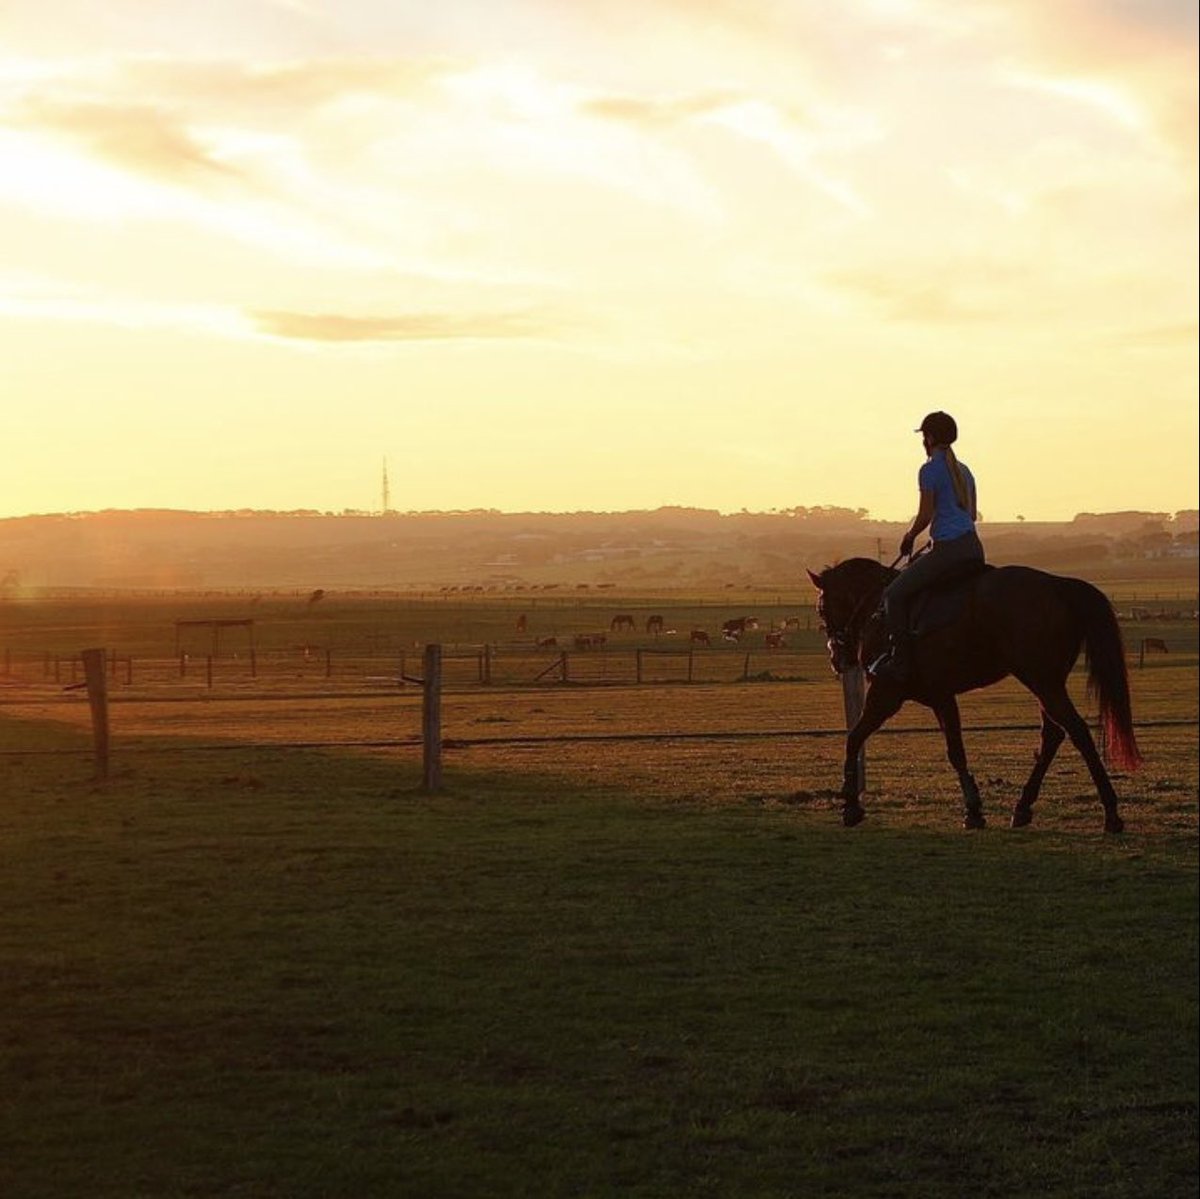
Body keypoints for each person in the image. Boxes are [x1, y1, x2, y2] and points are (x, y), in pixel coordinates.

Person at [871, 411, 985, 683]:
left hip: (949, 550)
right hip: (973, 548)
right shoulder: (965, 471)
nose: (924, 441)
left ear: (930, 438)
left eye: (924, 436)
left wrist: (910, 536)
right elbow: (971, 514)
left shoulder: (929, 470)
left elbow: (925, 515)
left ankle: (901, 661)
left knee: (894, 595)